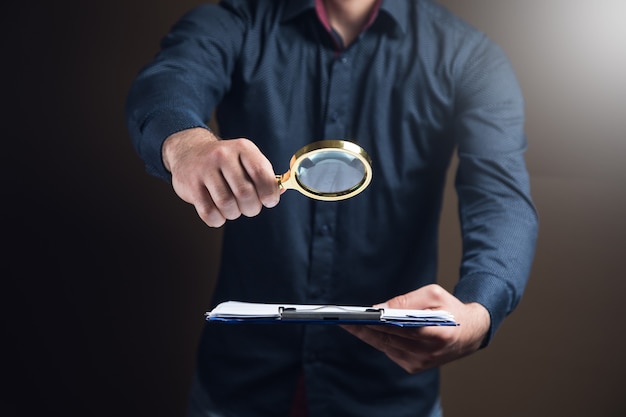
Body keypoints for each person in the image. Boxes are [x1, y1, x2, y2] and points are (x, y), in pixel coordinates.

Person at [125, 0, 538, 416]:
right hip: (238, 387)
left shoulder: (470, 56)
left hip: (387, 396)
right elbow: (170, 78)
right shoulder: (238, 20)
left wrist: (478, 312)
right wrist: (186, 144)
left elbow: (500, 197)